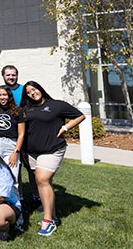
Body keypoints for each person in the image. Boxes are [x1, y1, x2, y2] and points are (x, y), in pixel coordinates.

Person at [20, 81, 85, 236]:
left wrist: (65, 128)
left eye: (34, 89)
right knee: (44, 182)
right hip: (31, 152)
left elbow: (80, 116)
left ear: (40, 89)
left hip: (52, 149)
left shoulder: (57, 105)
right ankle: (53, 217)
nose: (32, 93)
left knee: (42, 180)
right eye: (28, 92)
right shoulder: (25, 109)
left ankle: (48, 221)